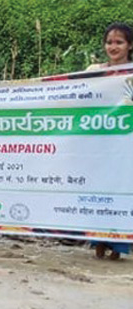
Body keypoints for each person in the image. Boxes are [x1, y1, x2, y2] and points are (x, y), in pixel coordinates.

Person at [86, 23, 133, 259]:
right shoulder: (94, 70)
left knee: (124, 189)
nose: (113, 47)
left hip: (127, 142)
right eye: (109, 42)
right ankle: (99, 241)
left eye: (119, 42)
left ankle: (120, 245)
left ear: (130, 46)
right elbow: (78, 95)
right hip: (100, 142)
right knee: (99, 189)